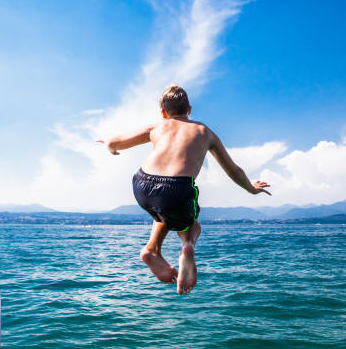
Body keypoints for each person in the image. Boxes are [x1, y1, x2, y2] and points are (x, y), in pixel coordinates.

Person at [98, 86, 271, 295]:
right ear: (189, 109)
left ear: (163, 113)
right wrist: (251, 188)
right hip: (177, 188)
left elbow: (117, 142)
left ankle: (152, 250)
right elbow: (233, 170)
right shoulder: (205, 132)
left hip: (141, 184)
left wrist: (109, 146)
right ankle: (187, 246)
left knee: (161, 213)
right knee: (193, 226)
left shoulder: (157, 127)